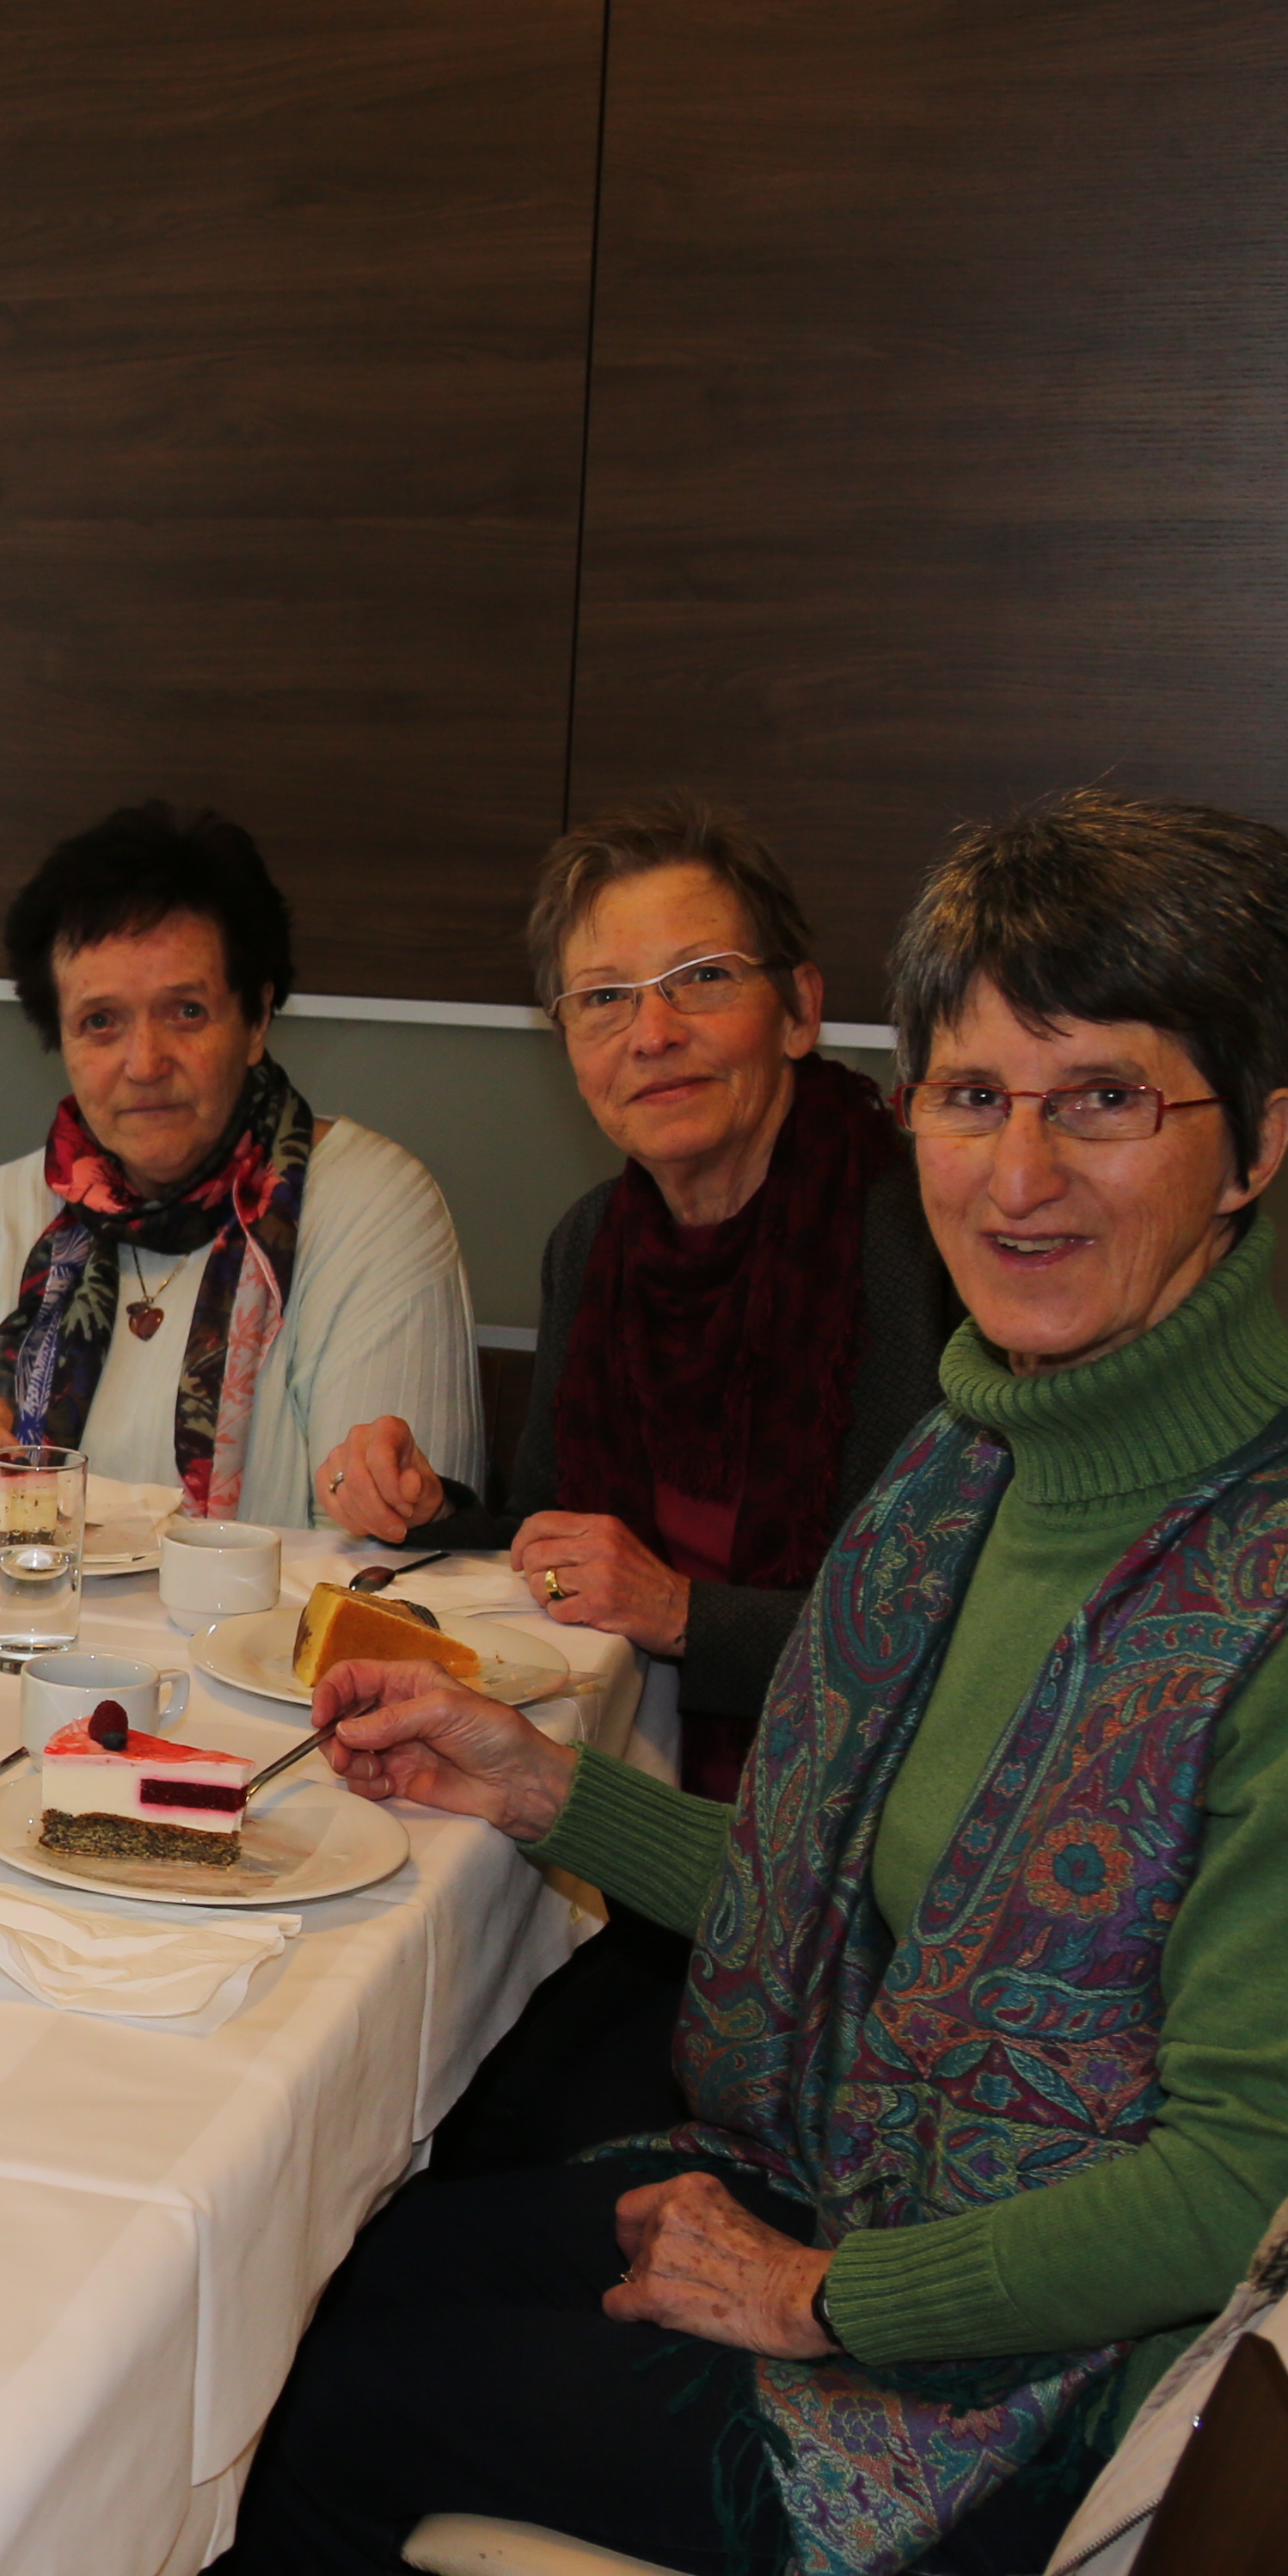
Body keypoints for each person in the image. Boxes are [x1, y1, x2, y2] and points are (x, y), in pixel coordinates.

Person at [110, 794, 1288, 2576]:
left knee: (314, 2412)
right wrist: (529, 1782)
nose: (1015, 1173)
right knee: (277, 2271)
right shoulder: (981, 1461)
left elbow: (1250, 2176)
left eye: (1103, 1103)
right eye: (970, 1094)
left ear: (1251, 1141)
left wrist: (818, 2292)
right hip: (883, 2187)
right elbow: (845, 1905)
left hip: (1073, 2411)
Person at [316, 801, 955, 2173]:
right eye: (603, 1000)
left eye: (699, 983)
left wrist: (682, 1614)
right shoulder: (599, 1243)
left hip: (864, 1905)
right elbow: (565, 1553)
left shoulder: (919, 1240)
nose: (648, 1034)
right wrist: (436, 1515)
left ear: (797, 1009)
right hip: (643, 1836)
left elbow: (933, 1641)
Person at [0, 802, 479, 1524]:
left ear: (256, 1018)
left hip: (263, 1638)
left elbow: (396, 1558)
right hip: (19, 1630)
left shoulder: (372, 1207)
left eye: (185, 1012)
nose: (145, 1063)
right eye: (101, 1022)